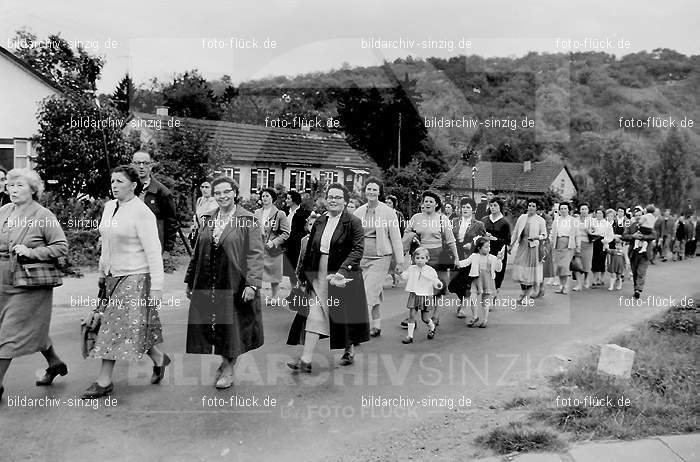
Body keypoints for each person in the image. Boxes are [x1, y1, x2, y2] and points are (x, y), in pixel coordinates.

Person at [82, 165, 169, 398]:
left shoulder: (142, 212)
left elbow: (153, 251)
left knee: (113, 324)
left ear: (133, 185)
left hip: (136, 276)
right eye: (112, 181)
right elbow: (107, 243)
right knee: (135, 325)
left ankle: (104, 380)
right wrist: (102, 272)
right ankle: (159, 358)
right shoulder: (109, 207)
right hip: (113, 275)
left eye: (120, 182)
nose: (114, 185)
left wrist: (158, 288)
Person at [185, 176, 264, 389]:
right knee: (216, 324)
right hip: (210, 279)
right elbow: (198, 251)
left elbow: (256, 254)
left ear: (235, 193)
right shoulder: (209, 218)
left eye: (226, 192)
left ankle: (228, 368)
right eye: (217, 193)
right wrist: (190, 280)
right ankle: (225, 360)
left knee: (232, 326)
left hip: (235, 280)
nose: (222, 196)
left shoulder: (247, 219)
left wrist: (252, 284)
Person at [0, 169, 68, 403]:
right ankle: (54, 362)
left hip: (28, 283)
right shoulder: (4, 211)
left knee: (8, 333)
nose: (13, 190)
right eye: (10, 186)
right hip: (2, 282)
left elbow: (61, 247)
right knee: (16, 327)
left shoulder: (43, 215)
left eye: (19, 185)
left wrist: (31, 252)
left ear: (32, 189)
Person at [287, 183, 369, 372]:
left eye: (338, 197)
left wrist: (342, 272)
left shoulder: (353, 222)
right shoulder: (319, 221)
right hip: (318, 272)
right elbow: (310, 249)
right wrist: (303, 275)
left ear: (346, 201)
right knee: (316, 313)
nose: (333, 200)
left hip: (341, 274)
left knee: (342, 315)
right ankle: (306, 359)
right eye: (330, 196)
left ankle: (349, 348)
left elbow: (357, 249)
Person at [401, 191, 459, 336]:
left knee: (435, 287)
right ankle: (412, 317)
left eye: (431, 201)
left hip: (438, 255)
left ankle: (435, 313)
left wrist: (456, 257)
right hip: (420, 255)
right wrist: (412, 237)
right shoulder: (416, 218)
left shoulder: (442, 218)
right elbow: (407, 232)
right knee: (417, 285)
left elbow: (451, 240)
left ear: (436, 204)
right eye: (425, 201)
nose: (427, 203)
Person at [354, 178, 404, 337]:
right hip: (361, 258)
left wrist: (400, 260)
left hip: (380, 258)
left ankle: (357, 330)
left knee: (367, 293)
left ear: (380, 192)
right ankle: (376, 325)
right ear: (365, 191)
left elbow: (396, 238)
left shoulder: (388, 212)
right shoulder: (358, 211)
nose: (371, 192)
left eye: (375, 190)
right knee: (372, 292)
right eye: (369, 189)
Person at [132, 151, 178, 254]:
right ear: (132, 165)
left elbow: (171, 222)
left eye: (145, 163)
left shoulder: (162, 192)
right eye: (137, 163)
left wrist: (167, 249)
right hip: (130, 246)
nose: (141, 166)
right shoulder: (127, 190)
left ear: (151, 166)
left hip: (152, 247)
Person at [449, 198, 486, 321]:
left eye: (468, 207)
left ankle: (464, 305)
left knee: (465, 282)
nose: (465, 209)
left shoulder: (478, 224)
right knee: (454, 282)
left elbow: (483, 240)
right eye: (463, 207)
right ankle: (461, 299)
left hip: (469, 256)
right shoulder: (454, 221)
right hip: (455, 254)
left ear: (473, 210)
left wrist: (473, 244)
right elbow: (448, 236)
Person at [457, 237, 505, 328]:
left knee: (485, 302)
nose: (488, 249)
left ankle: (485, 320)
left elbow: (498, 269)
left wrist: (499, 260)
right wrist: (457, 263)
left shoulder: (493, 258)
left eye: (489, 246)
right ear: (479, 248)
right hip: (476, 281)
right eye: (486, 247)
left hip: (488, 282)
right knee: (472, 298)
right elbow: (466, 262)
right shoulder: (474, 256)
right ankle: (475, 316)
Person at [254, 188, 290, 303]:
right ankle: (256, 296)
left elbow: (286, 233)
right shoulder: (257, 213)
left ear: (273, 198)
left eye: (267, 196)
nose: (264, 198)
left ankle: (274, 297)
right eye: (263, 196)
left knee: (274, 275)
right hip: (259, 248)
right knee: (256, 272)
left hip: (272, 249)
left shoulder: (280, 214)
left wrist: (274, 242)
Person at [400, 247, 443, 343]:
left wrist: (438, 284)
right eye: (417, 258)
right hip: (414, 294)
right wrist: (400, 273)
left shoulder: (430, 270)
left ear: (427, 259)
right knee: (411, 316)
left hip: (425, 295)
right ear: (414, 259)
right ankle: (409, 336)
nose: (419, 260)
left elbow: (435, 280)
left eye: (422, 258)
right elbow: (405, 276)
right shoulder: (412, 268)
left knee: (425, 318)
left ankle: (432, 327)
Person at [509, 200, 547, 304]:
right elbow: (516, 232)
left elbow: (544, 235)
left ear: (537, 208)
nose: (530, 207)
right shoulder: (522, 218)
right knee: (521, 271)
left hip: (533, 248)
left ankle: (528, 295)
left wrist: (536, 237)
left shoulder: (540, 220)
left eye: (533, 206)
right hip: (522, 246)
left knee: (530, 273)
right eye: (529, 205)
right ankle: (523, 291)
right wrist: (511, 245)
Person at [622, 205, 657, 299]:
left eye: (640, 215)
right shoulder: (631, 225)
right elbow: (624, 235)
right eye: (636, 215)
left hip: (645, 253)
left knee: (641, 271)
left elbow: (654, 235)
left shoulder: (648, 225)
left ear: (643, 215)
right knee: (635, 272)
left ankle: (638, 289)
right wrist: (633, 236)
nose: (638, 217)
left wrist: (644, 237)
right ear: (634, 216)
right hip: (634, 252)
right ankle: (635, 288)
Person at [481, 197, 511, 293]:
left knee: (497, 274)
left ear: (500, 207)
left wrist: (495, 239)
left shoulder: (504, 223)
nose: (492, 207)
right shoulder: (484, 220)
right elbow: (479, 234)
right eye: (491, 205)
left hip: (498, 251)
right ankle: (487, 295)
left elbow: (507, 241)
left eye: (495, 205)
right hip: (486, 250)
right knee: (486, 273)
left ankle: (494, 294)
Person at [549, 202, 578, 294]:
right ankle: (561, 285)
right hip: (558, 244)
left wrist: (578, 246)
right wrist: (549, 242)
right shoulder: (556, 220)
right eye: (561, 208)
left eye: (565, 208)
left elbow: (577, 234)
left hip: (568, 245)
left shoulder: (573, 220)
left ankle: (565, 286)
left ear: (568, 209)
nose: (563, 210)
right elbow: (552, 233)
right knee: (559, 267)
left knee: (564, 266)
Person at [283, 191, 310, 288]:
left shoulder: (304, 213)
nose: (286, 200)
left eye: (288, 198)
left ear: (294, 200)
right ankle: (293, 290)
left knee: (297, 268)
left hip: (298, 245)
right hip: (287, 245)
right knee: (290, 270)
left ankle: (298, 290)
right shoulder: (285, 212)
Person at [385, 194, 406, 287]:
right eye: (386, 202)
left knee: (393, 261)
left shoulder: (398, 214)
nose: (387, 204)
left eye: (389, 203)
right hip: (384, 240)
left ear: (394, 204)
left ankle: (395, 278)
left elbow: (402, 229)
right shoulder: (381, 213)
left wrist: (399, 240)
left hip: (394, 241)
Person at [590, 207, 614, 286]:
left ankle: (601, 278)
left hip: (603, 243)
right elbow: (590, 231)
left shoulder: (607, 224)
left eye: (600, 213)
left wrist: (606, 241)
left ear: (603, 214)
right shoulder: (592, 222)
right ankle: (594, 279)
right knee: (594, 261)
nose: (599, 214)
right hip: (594, 242)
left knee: (602, 261)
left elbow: (611, 236)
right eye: (597, 213)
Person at [572, 204, 594, 291]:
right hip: (577, 244)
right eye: (582, 209)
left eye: (585, 209)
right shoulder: (575, 220)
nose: (584, 211)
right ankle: (578, 284)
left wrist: (590, 231)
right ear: (579, 210)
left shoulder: (591, 220)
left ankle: (586, 279)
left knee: (587, 263)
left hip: (587, 243)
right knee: (576, 264)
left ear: (588, 210)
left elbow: (595, 231)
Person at [606, 209, 626, 291]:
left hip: (616, 244)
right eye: (608, 215)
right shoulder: (604, 223)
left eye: (611, 215)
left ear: (614, 217)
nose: (609, 217)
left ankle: (619, 279)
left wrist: (616, 236)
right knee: (609, 262)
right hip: (607, 243)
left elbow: (622, 234)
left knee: (617, 260)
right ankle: (613, 280)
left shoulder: (618, 224)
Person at [542, 204, 558, 287]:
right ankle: (551, 277)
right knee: (549, 259)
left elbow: (549, 228)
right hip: (549, 239)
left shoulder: (549, 217)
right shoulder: (551, 218)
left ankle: (555, 278)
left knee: (553, 259)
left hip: (554, 240)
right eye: (554, 210)